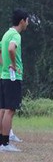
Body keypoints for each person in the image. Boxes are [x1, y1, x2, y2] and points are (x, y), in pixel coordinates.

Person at [0, 9, 30, 152]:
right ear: (22, 21)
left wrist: (4, 65)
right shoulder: (15, 35)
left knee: (3, 110)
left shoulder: (6, 34)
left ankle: (2, 141)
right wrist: (12, 64)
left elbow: (1, 51)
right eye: (27, 20)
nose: (28, 24)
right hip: (12, 77)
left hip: (3, 76)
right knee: (10, 110)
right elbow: (12, 49)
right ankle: (5, 144)